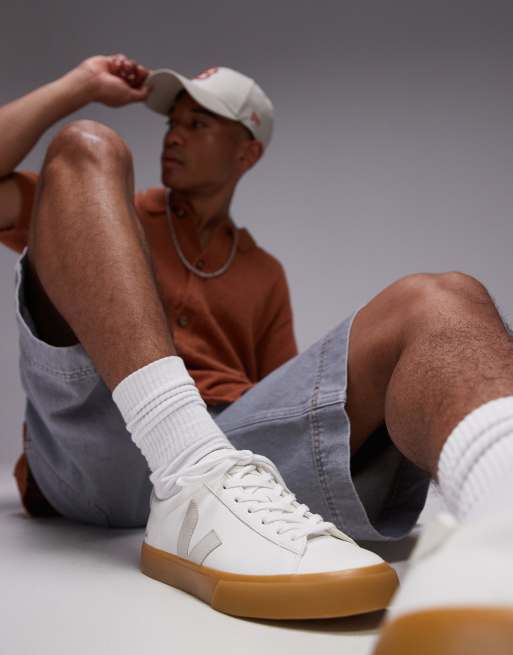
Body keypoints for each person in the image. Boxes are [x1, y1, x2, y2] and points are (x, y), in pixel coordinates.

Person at [0, 54, 511, 647]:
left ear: (246, 153)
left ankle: (500, 531)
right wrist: (79, 86)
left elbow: (280, 399)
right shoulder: (97, 210)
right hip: (97, 449)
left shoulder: (263, 272)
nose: (174, 136)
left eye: (198, 124)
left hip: (227, 457)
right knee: (86, 145)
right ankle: (187, 460)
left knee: (442, 297)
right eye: (172, 123)